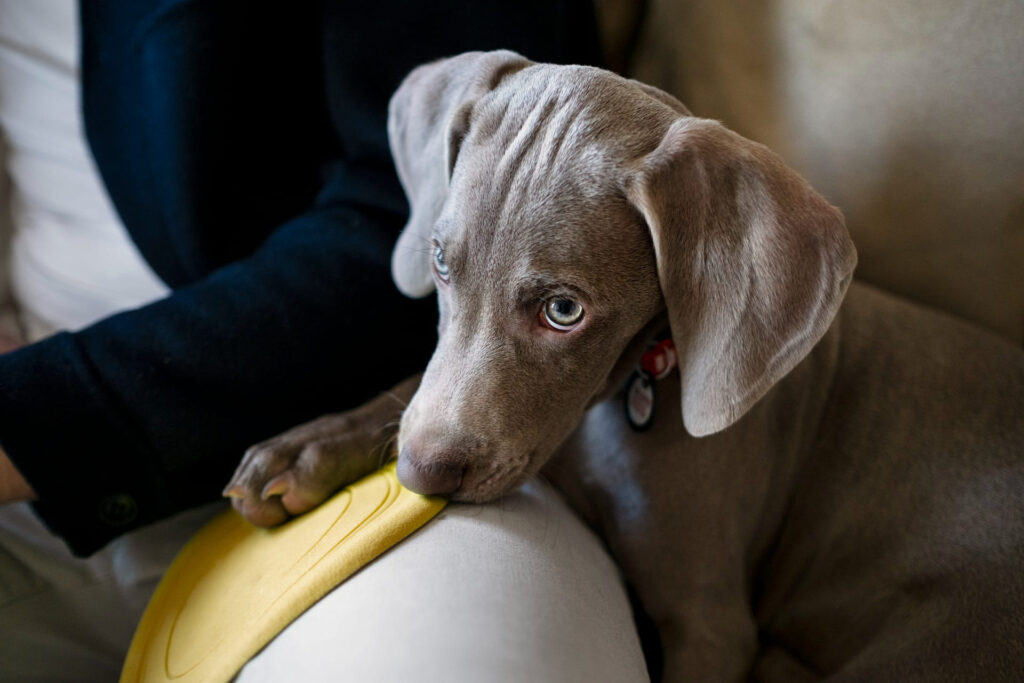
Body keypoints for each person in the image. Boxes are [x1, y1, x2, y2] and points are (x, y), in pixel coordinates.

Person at [0, 1, 649, 680]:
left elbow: (400, 221)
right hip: (45, 462)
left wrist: (37, 416)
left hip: (341, 447)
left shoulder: (518, 131)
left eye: (560, 308)